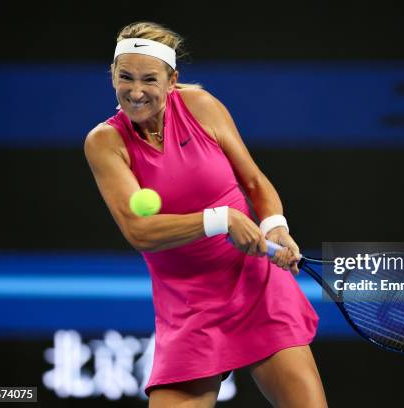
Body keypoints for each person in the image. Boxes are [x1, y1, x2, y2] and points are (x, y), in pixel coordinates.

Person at [84, 21, 328, 407]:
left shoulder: (202, 107)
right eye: (124, 77)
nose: (135, 92)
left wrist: (274, 226)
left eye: (149, 79)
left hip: (254, 285)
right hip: (188, 305)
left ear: (171, 79)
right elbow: (140, 231)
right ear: (112, 75)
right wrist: (222, 219)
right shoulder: (105, 142)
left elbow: (253, 180)